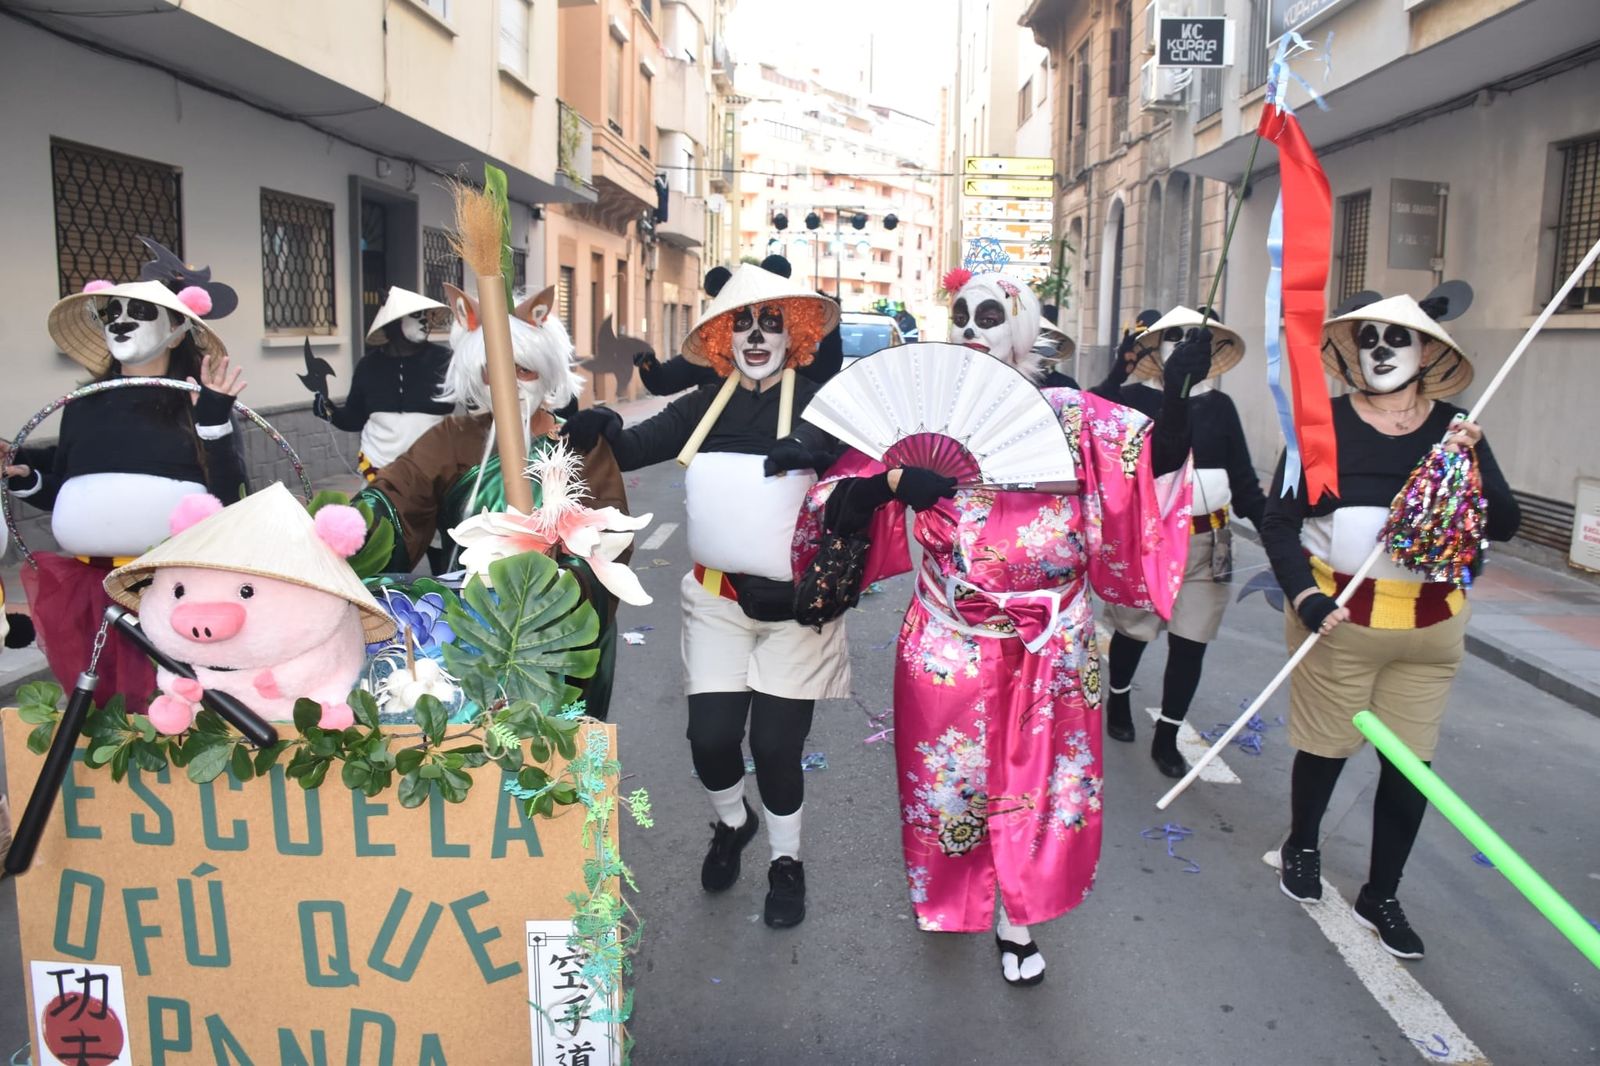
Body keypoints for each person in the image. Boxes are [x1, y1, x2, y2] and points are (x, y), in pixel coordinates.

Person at [795, 269, 1203, 984]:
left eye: (989, 314)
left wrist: (1177, 398)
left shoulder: (1074, 416)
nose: (972, 328)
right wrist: (886, 483)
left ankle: (1018, 916)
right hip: (948, 638)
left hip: (1053, 645)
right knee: (947, 783)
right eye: (960, 314)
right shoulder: (926, 415)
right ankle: (952, 896)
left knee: (1041, 791)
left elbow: (1151, 467)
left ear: (1021, 325)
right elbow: (837, 502)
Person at [561, 264, 844, 929]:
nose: (755, 335)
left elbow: (859, 487)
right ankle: (732, 824)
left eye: (771, 322)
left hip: (797, 613)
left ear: (794, 334)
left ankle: (786, 863)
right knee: (710, 740)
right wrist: (595, 422)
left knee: (775, 747)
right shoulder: (703, 403)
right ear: (723, 335)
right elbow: (630, 450)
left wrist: (816, 452)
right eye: (742, 322)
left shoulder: (823, 405)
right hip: (715, 604)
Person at [1262, 288, 1519, 960]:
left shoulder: (1458, 427)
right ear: (1352, 351)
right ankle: (1304, 844)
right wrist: (1305, 599)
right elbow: (1280, 522)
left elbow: (1507, 525)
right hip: (1338, 622)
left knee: (1411, 768)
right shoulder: (1320, 426)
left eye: (1397, 339)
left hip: (1431, 629)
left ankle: (1383, 891)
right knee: (1325, 750)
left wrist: (1470, 467)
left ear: (1428, 351)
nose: (1381, 351)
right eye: (1369, 338)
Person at [356, 283, 630, 719]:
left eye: (524, 370)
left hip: (559, 640)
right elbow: (396, 498)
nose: (509, 384)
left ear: (546, 368)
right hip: (466, 635)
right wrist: (351, 529)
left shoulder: (580, 443)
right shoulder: (453, 438)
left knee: (556, 763)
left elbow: (608, 538)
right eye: (494, 372)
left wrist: (555, 591)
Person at [2, 238, 246, 711]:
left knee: (176, 702)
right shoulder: (83, 406)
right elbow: (71, 489)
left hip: (169, 587)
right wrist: (29, 480)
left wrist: (215, 423)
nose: (120, 319)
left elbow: (231, 496)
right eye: (111, 311)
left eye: (138, 310)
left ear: (178, 329)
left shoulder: (197, 401)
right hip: (88, 588)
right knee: (104, 706)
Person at [1096, 307, 1267, 778]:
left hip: (1211, 541)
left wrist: (1278, 530)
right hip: (1147, 541)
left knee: (1192, 643)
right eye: (1175, 336)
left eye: (1198, 336)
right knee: (1133, 630)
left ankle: (1168, 734)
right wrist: (1119, 371)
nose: (1187, 344)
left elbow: (1245, 481)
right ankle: (1120, 698)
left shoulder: (1221, 406)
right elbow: (1089, 421)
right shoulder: (1131, 400)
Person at [309, 287, 454, 481]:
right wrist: (329, 412)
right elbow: (354, 418)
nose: (425, 321)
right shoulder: (368, 366)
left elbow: (472, 400)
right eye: (417, 316)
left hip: (433, 471)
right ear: (393, 323)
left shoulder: (444, 360)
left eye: (426, 316)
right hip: (378, 470)